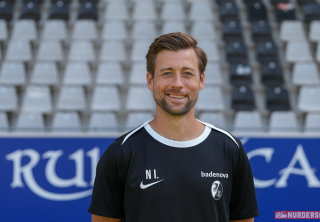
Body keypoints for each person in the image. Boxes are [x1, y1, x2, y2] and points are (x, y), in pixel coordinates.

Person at [88, 32, 259, 222]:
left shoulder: (229, 149)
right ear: (151, 80)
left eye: (187, 73)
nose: (177, 84)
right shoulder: (121, 153)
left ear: (201, 80)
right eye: (167, 73)